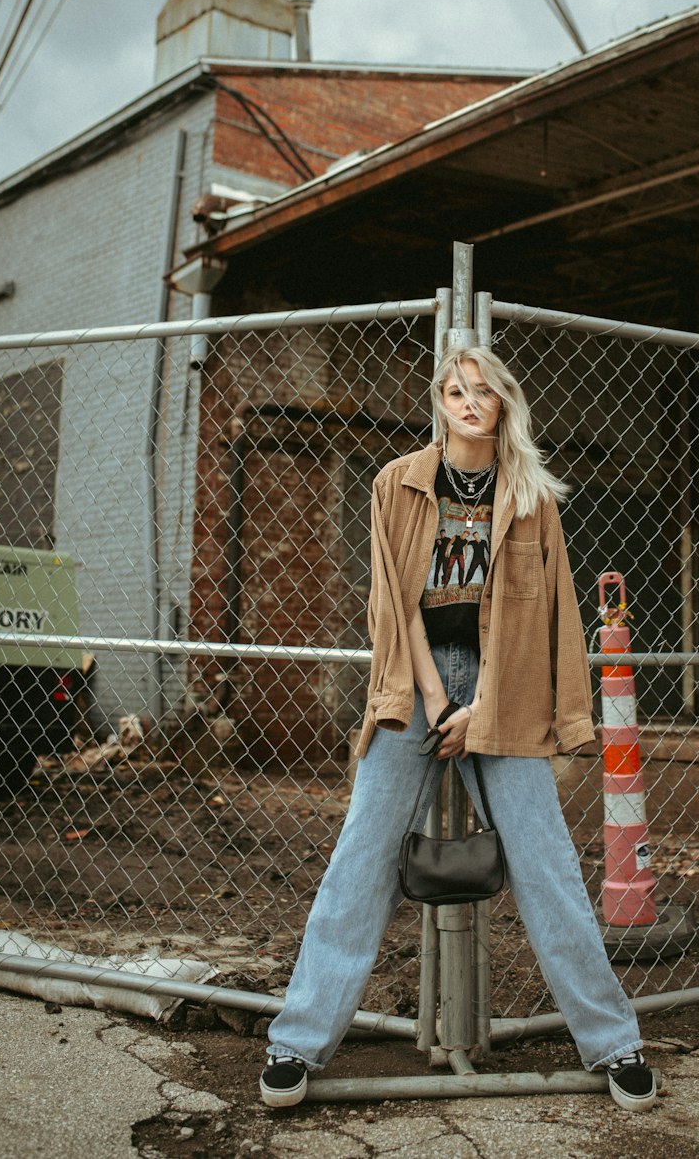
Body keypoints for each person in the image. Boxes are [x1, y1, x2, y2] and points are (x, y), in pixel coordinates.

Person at [260, 346, 657, 1112]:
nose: (467, 401)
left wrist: (490, 708)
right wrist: (440, 699)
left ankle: (615, 1044)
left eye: (482, 390)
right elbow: (392, 601)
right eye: (454, 390)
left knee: (547, 865)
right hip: (417, 684)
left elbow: (548, 616)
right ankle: (296, 1045)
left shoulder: (532, 496)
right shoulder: (397, 482)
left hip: (503, 688)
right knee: (361, 857)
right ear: (439, 402)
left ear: (503, 403)